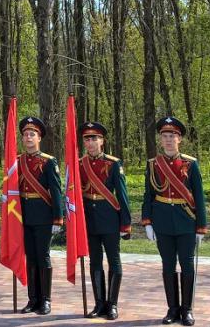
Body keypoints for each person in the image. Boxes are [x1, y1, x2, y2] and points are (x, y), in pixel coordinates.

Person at [141, 117, 207, 326]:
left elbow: (199, 196)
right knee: (168, 265)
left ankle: (187, 310)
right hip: (162, 221)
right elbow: (148, 195)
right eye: (165, 136)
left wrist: (201, 227)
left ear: (179, 139)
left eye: (172, 136)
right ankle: (172, 309)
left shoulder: (190, 163)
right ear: (160, 140)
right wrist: (147, 222)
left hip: (186, 220)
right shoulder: (153, 165)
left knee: (187, 265)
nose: (168, 140)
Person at [78, 121, 132, 320]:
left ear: (102, 141)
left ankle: (112, 304)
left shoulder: (113, 163)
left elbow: (123, 195)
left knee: (113, 260)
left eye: (94, 138)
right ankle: (99, 303)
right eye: (87, 139)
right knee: (95, 262)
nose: (91, 142)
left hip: (109, 217)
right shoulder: (79, 164)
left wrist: (125, 223)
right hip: (89, 221)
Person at [16, 116, 63, 315]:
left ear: (39, 138)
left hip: (43, 215)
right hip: (23, 216)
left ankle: (45, 300)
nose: (28, 138)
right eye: (25, 134)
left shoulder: (49, 162)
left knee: (43, 257)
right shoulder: (17, 161)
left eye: (32, 134)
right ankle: (32, 299)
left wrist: (57, 218)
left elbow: (56, 191)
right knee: (30, 258)